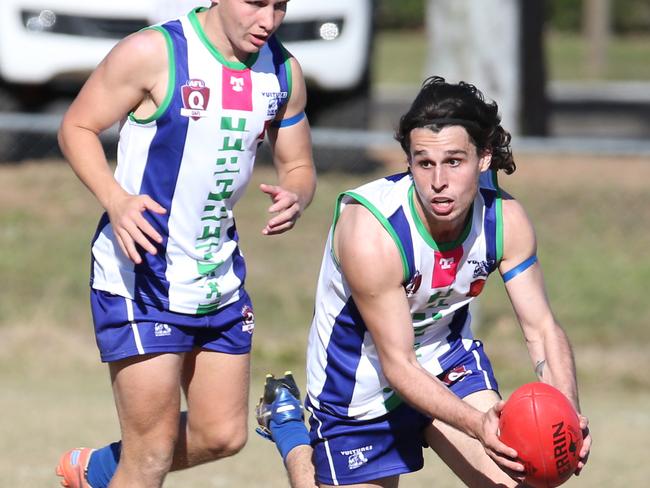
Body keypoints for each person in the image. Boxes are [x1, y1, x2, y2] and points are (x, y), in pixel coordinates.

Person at [255, 76, 591, 487]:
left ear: (484, 157)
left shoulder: (505, 221)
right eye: (424, 163)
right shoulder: (372, 231)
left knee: (517, 481)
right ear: (409, 161)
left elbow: (541, 328)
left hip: (446, 360)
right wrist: (475, 423)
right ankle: (289, 425)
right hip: (360, 381)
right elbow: (398, 365)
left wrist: (568, 411)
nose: (437, 182)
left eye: (454, 161)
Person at [55, 1, 316, 487]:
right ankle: (129, 464)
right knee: (151, 453)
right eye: (256, 3)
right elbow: (76, 127)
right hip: (142, 276)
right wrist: (116, 199)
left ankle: (100, 470)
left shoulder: (282, 72)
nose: (268, 20)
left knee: (222, 435)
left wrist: (297, 194)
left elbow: (298, 164)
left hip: (218, 277)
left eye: (280, 6)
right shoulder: (154, 52)